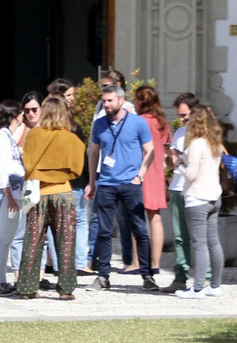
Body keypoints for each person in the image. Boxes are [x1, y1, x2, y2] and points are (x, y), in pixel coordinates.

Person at [86, 83, 157, 291]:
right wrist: (92, 182)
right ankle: (103, 276)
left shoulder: (137, 123)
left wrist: (140, 176)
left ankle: (147, 275)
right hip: (106, 183)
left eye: (110, 101)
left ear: (121, 100)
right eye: (104, 101)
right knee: (104, 231)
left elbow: (150, 150)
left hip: (130, 184)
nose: (106, 105)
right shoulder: (99, 124)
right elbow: (93, 153)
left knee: (140, 230)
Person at [14, 95, 87, 299]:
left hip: (39, 193)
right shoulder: (70, 138)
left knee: (33, 241)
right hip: (62, 192)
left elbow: (27, 163)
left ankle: (27, 288)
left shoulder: (34, 135)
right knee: (65, 242)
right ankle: (65, 289)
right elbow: (77, 169)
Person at [174, 106, 226, 299]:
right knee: (213, 242)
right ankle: (215, 285)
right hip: (214, 196)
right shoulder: (215, 143)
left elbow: (191, 174)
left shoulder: (196, 144)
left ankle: (197, 288)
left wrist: (178, 165)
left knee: (199, 244)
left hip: (197, 198)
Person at [7, 91, 56, 286]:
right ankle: (19, 276)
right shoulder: (22, 129)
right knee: (19, 234)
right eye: (27, 110)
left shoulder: (48, 129)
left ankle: (40, 276)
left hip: (42, 185)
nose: (31, 113)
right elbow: (10, 149)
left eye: (34, 109)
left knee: (41, 234)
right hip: (24, 186)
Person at [50, 79, 93, 275]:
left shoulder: (45, 129)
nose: (73, 99)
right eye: (69, 95)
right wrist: (89, 179)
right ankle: (80, 262)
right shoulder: (73, 128)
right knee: (79, 221)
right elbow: (81, 157)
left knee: (55, 224)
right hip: (74, 180)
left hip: (54, 181)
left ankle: (57, 263)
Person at [0, 99, 26, 296]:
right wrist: (8, 195)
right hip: (7, 192)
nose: (23, 115)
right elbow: (0, 168)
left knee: (7, 239)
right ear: (13, 115)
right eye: (21, 112)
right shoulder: (0, 137)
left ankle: (0, 280)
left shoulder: (8, 136)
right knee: (1, 238)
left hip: (15, 192)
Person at [133, 85, 172, 282]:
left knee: (136, 218)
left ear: (141, 102)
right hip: (157, 172)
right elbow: (168, 148)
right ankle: (155, 264)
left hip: (139, 171)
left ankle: (137, 262)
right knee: (156, 219)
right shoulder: (162, 122)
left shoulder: (138, 121)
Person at [165, 93, 200, 292]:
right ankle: (180, 277)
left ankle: (205, 276)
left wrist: (179, 159)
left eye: (185, 115)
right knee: (179, 237)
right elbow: (174, 165)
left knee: (200, 237)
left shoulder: (203, 135)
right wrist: (170, 157)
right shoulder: (179, 132)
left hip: (195, 189)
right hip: (177, 187)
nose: (182, 119)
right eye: (180, 115)